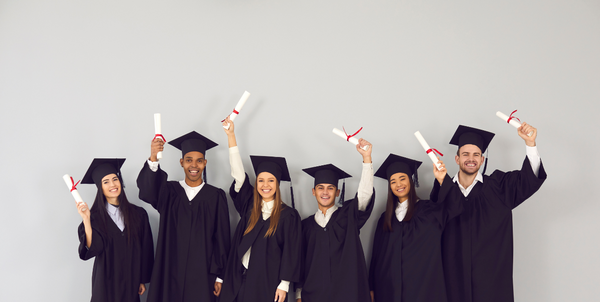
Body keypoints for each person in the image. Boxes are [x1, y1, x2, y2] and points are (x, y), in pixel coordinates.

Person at [431, 124, 546, 302]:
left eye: (476, 154)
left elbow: (528, 180)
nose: (471, 159)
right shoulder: (442, 191)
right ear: (457, 159)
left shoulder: (499, 187)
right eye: (466, 154)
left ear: (482, 160)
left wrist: (530, 143)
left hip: (491, 284)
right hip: (452, 281)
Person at [136, 131, 231, 302]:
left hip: (203, 274)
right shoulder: (169, 191)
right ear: (181, 162)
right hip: (170, 270)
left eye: (199, 161)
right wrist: (153, 158)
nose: (194, 165)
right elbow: (148, 192)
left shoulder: (216, 196)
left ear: (205, 163)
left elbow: (222, 239)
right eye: (189, 160)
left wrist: (220, 276)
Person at [220, 117, 302, 302]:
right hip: (238, 278)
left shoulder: (288, 216)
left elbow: (291, 251)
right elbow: (238, 173)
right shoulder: (249, 206)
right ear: (256, 183)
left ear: (278, 184)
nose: (265, 185)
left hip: (267, 281)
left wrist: (284, 284)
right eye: (261, 180)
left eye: (271, 180)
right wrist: (231, 136)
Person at [368, 154, 461, 302]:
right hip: (387, 289)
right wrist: (371, 287)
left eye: (402, 178)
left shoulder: (429, 211)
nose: (398, 184)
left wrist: (442, 179)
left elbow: (455, 207)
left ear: (411, 181)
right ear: (390, 187)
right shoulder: (385, 219)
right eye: (393, 181)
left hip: (422, 290)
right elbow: (377, 256)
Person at [295, 139, 375, 302]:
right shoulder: (305, 226)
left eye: (330, 188)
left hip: (346, 294)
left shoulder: (348, 216)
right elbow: (301, 262)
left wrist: (367, 159)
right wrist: (298, 295)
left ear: (337, 192)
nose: (325, 192)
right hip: (313, 295)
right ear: (313, 191)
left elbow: (365, 195)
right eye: (320, 188)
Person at [76, 158, 154, 302]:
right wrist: (86, 219)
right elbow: (93, 248)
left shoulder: (139, 214)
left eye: (115, 179)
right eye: (106, 182)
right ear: (100, 187)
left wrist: (142, 279)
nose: (112, 184)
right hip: (105, 284)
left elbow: (146, 248)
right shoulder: (95, 218)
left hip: (131, 282)